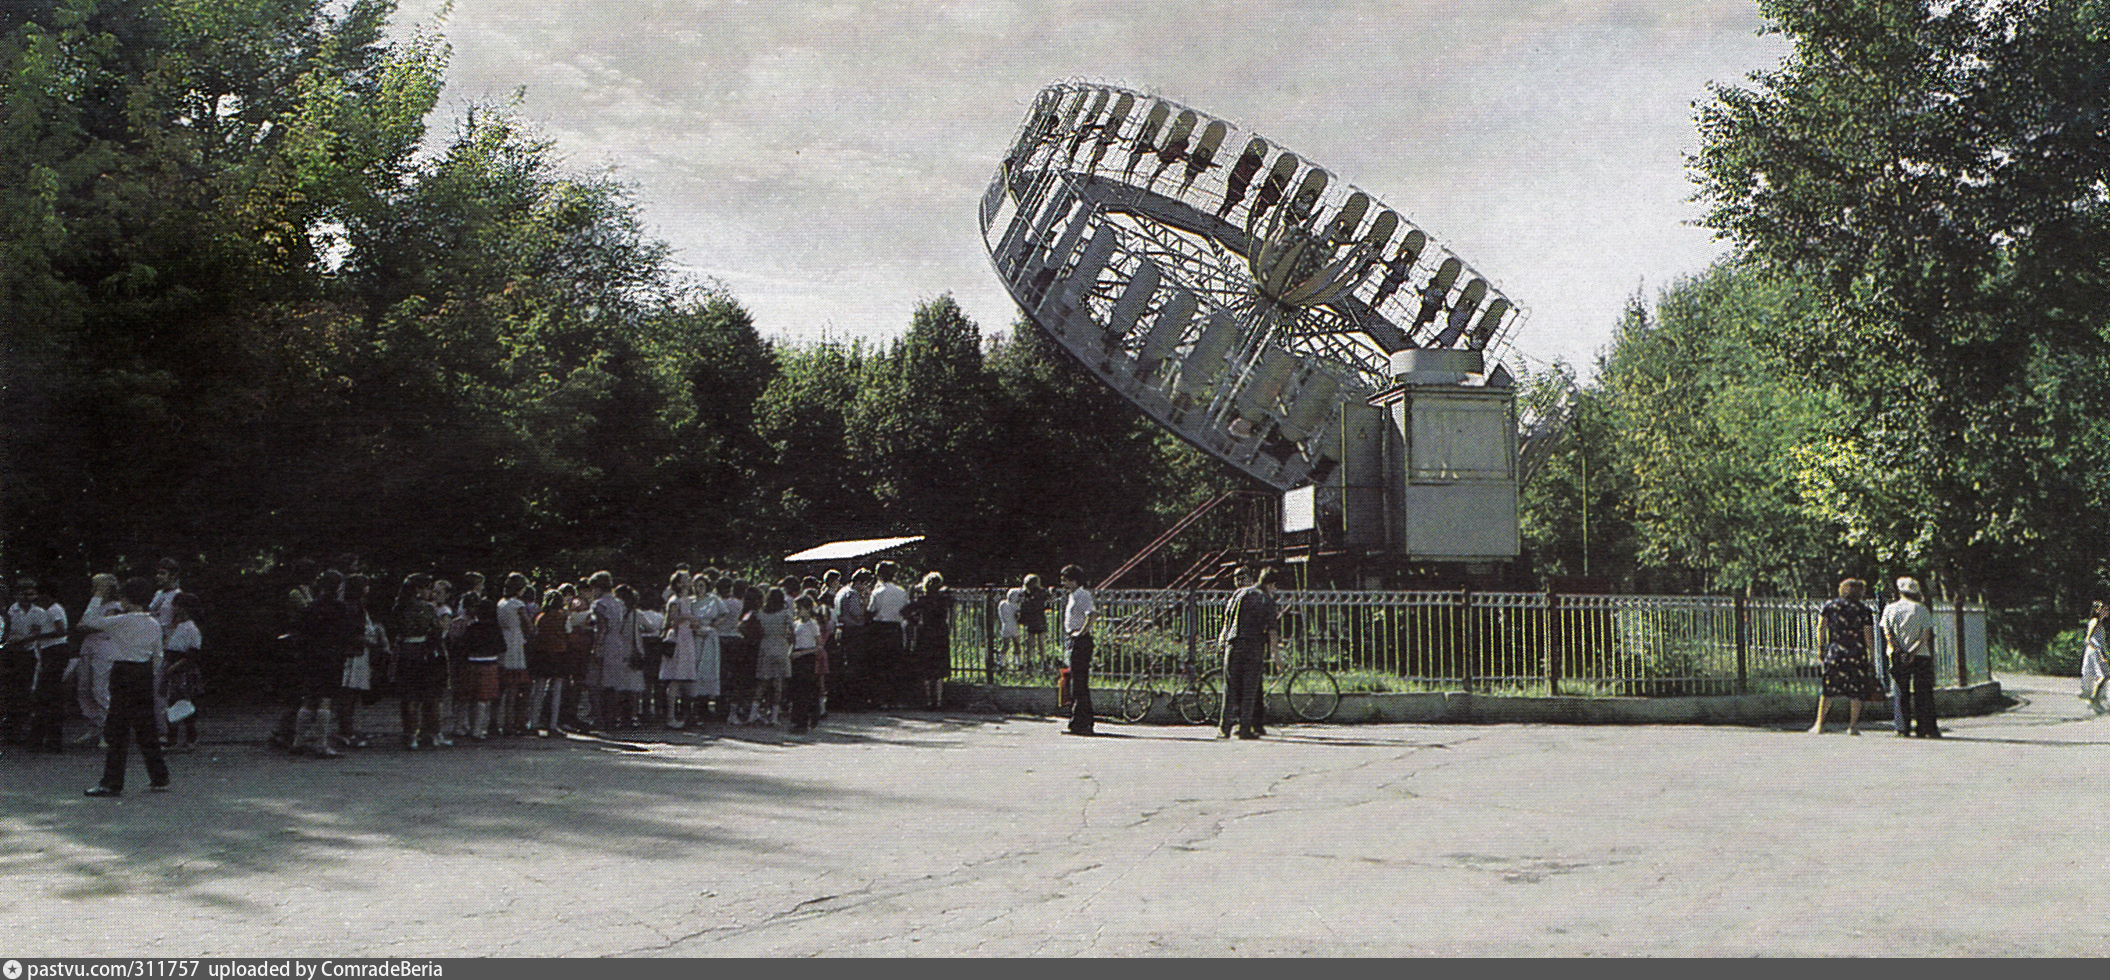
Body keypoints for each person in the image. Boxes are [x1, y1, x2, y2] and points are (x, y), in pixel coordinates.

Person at [81, 577, 171, 796]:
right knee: (146, 728)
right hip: (142, 673)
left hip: (123, 673)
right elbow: (158, 656)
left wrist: (98, 595)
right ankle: (159, 777)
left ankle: (111, 782)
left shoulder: (122, 620)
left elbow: (89, 620)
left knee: (117, 729)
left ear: (127, 599)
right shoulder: (153, 623)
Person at [1810, 578, 1883, 735]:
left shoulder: (1830, 606)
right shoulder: (1863, 610)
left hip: (1836, 651)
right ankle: (1853, 726)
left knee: (1828, 688)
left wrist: (1820, 648)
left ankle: (1819, 723)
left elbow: (1821, 627)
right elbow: (1868, 635)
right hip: (1857, 653)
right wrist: (1871, 654)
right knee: (1856, 690)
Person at [1218, 566, 1280, 740]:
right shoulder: (1265, 599)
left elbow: (1227, 619)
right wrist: (1276, 656)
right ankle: (1245, 728)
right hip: (1253, 647)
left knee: (1230, 688)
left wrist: (1223, 640)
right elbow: (1272, 631)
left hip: (1232, 644)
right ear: (1271, 584)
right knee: (1249, 690)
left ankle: (1224, 728)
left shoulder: (1238, 594)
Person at [1881, 576, 1942, 738]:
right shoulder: (1921, 609)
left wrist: (1899, 650)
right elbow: (1925, 635)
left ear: (1899, 591)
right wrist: (1912, 651)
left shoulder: (1890, 609)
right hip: (1921, 654)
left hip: (1896, 653)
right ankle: (1925, 727)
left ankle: (1902, 727)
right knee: (1923, 691)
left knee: (1900, 690)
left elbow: (1887, 632)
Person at [393, 574, 447, 750]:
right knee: (425, 695)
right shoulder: (426, 608)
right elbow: (437, 630)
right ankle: (426, 732)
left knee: (407, 696)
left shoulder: (399, 607)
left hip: (404, 651)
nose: (429, 592)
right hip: (422, 652)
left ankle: (409, 734)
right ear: (419, 589)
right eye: (427, 588)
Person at [23, 580, 71, 752]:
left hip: (56, 649)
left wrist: (40, 636)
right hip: (47, 650)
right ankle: (46, 738)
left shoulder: (54, 609)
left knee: (47, 692)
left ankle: (47, 738)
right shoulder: (44, 611)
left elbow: (61, 630)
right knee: (47, 694)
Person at [75, 573, 122, 744]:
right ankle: (94, 726)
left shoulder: (115, 606)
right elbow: (82, 624)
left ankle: (107, 730)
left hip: (104, 648)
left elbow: (98, 625)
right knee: (83, 689)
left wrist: (90, 625)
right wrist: (90, 625)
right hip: (88, 647)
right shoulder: (94, 605)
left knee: (100, 689)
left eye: (98, 586)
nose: (94, 590)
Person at [161, 592, 205, 752]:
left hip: (184, 670)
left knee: (186, 705)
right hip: (173, 666)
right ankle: (172, 738)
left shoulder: (191, 628)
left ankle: (190, 738)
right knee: (172, 705)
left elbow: (192, 654)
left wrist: (174, 667)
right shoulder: (178, 626)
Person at [904, 571, 953, 710]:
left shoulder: (922, 600)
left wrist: (914, 621)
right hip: (941, 633)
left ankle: (928, 701)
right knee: (939, 670)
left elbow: (905, 611)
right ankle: (939, 701)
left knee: (926, 669)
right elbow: (951, 599)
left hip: (925, 633)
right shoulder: (944, 599)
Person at [659, 571, 701, 729]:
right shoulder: (675, 600)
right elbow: (672, 622)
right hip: (677, 639)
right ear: (678, 584)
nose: (689, 582)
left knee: (685, 678)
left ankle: (686, 715)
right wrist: (687, 618)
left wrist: (694, 623)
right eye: (686, 580)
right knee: (675, 678)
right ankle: (670, 716)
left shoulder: (687, 601)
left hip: (687, 638)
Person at [457, 596, 504, 739]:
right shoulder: (495, 629)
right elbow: (502, 647)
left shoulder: (471, 628)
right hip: (489, 665)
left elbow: (463, 647)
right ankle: (477, 731)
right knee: (482, 700)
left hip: (471, 664)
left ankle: (461, 727)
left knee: (466, 697)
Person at [868, 561, 911, 709]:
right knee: (895, 664)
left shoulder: (877, 593)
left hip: (880, 628)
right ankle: (894, 698)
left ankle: (881, 699)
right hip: (895, 628)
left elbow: (872, 610)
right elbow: (905, 609)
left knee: (880, 664)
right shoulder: (901, 591)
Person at [495, 573, 534, 736]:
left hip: (502, 640)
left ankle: (493, 721)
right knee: (513, 687)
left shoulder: (501, 603)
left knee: (500, 687)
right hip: (515, 641)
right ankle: (508, 723)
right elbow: (528, 625)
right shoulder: (517, 604)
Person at [750, 587, 794, 726]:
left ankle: (753, 712)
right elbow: (793, 629)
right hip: (781, 645)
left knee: (762, 682)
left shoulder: (761, 614)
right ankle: (774, 716)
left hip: (765, 646)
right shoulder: (785, 613)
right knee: (778, 683)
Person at [1060, 565, 1095, 736]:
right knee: (1075, 682)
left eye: (1065, 579)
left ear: (1074, 580)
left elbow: (1091, 614)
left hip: (1080, 641)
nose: (1063, 582)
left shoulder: (1082, 595)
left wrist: (1081, 633)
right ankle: (1080, 722)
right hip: (1072, 639)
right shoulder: (1073, 595)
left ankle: (1081, 722)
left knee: (1079, 684)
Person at [832, 570, 871, 711]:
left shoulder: (842, 591)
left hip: (842, 629)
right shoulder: (852, 595)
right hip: (853, 632)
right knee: (855, 666)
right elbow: (858, 615)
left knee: (846, 664)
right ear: (860, 583)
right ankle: (854, 701)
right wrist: (866, 603)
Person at [787, 594, 824, 734]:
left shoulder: (812, 625)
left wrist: (803, 653)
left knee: (804, 689)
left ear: (808, 609)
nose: (797, 611)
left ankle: (804, 720)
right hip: (796, 656)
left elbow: (819, 645)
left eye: (800, 608)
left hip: (807, 657)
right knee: (796, 690)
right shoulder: (796, 624)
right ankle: (797, 719)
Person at [2080, 601, 2108, 709]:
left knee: (2103, 676)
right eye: (2103, 608)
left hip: (2096, 651)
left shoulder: (2099, 622)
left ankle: (2095, 698)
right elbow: (2087, 639)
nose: (2106, 610)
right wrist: (2098, 651)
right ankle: (2093, 698)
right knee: (2103, 676)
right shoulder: (2095, 621)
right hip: (2094, 651)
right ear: (2097, 610)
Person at [1020, 574, 1051, 668]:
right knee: (1041, 642)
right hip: (1040, 618)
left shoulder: (1026, 594)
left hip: (1030, 619)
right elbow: (1048, 601)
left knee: (1030, 642)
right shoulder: (1042, 593)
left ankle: (1029, 661)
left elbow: (1023, 606)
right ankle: (1043, 661)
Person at [997, 586, 1023, 671]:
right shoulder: (1016, 606)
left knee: (1005, 645)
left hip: (1006, 626)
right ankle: (1017, 662)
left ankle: (1001, 662)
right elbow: (1018, 617)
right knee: (1016, 645)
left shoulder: (1002, 604)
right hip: (1014, 626)